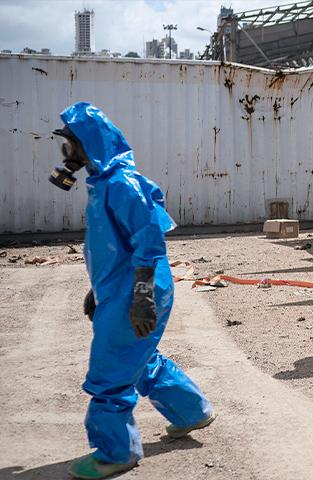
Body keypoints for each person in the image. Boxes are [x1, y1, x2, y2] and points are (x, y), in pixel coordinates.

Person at [49, 102, 215, 479]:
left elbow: (149, 241)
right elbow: (114, 247)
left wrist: (140, 297)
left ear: (88, 144)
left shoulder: (122, 185)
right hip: (121, 289)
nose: (65, 152)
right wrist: (99, 291)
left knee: (110, 372)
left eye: (70, 143)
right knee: (138, 357)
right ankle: (192, 411)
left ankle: (115, 452)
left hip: (137, 291)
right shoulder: (104, 183)